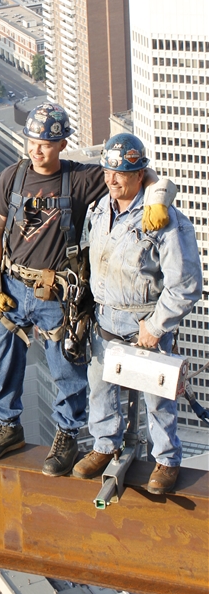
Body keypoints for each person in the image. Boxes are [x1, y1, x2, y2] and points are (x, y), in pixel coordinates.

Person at [0, 104, 177, 477]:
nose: (37, 150)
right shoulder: (11, 178)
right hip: (13, 286)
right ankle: (7, 426)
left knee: (66, 367)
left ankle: (67, 434)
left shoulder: (82, 179)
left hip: (55, 291)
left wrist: (158, 198)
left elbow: (138, 174)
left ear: (63, 144)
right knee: (0, 360)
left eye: (47, 144)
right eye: (32, 142)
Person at [72, 133, 202, 495]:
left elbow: (186, 283)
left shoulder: (163, 219)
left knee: (157, 399)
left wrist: (157, 326)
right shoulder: (101, 209)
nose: (112, 179)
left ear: (141, 174)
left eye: (121, 173)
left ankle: (166, 459)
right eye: (108, 172)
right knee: (100, 390)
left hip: (144, 322)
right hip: (105, 318)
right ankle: (104, 444)